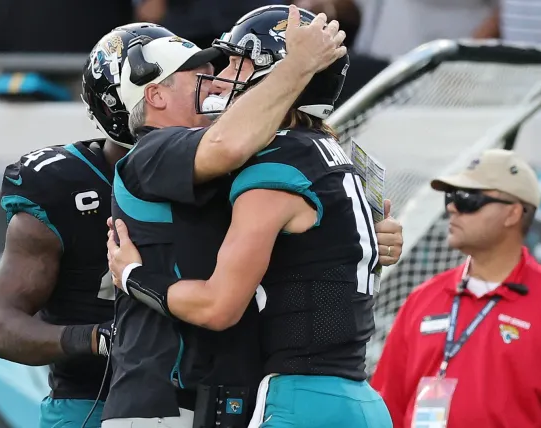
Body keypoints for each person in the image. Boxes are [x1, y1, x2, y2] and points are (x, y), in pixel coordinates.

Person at [106, 5, 399, 428]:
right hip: (356, 398)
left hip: (299, 398)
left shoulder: (272, 163)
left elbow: (220, 305)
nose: (221, 78)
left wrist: (133, 276)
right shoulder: (326, 152)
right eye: (211, 70)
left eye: (236, 64)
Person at [0, 23, 177, 428]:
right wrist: (98, 339)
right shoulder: (60, 185)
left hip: (201, 399)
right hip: (92, 403)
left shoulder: (225, 171)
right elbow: (2, 328)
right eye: (173, 84)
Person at [369, 149, 541, 428]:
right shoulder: (422, 299)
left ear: (513, 213)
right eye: (451, 197)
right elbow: (385, 409)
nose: (452, 208)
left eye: (468, 199)